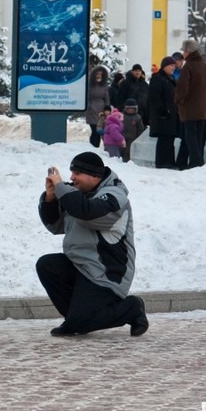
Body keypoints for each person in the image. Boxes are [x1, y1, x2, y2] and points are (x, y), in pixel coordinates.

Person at [36, 152, 148, 337]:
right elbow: (55, 225)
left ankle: (132, 308)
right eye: (71, 173)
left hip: (106, 272)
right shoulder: (79, 195)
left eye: (77, 173)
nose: (71, 178)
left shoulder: (115, 197)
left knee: (81, 322)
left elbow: (87, 211)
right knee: (47, 265)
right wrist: (50, 197)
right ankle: (75, 320)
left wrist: (62, 189)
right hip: (81, 267)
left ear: (95, 176)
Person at [174, 39, 206, 169]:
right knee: (198, 137)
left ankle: (196, 162)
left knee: (190, 137)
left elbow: (182, 88)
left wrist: (179, 101)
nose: (183, 53)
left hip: (189, 108)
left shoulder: (188, 66)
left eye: (184, 51)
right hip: (203, 108)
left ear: (189, 52)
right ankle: (182, 161)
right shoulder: (205, 66)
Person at [147, 57, 179, 169]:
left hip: (171, 115)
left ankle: (169, 161)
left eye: (174, 66)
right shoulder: (157, 78)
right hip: (163, 116)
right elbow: (155, 97)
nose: (173, 68)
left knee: (170, 139)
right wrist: (163, 111)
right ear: (165, 66)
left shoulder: (170, 79)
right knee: (163, 139)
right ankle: (162, 162)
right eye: (171, 66)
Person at [85, 65, 111, 148]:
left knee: (100, 130)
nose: (99, 76)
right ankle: (93, 147)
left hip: (101, 111)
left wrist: (107, 108)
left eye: (101, 74)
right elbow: (86, 97)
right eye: (97, 74)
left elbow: (107, 97)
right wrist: (88, 106)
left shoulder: (104, 85)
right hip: (91, 109)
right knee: (95, 130)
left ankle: (98, 147)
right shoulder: (89, 85)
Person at [121, 98, 145, 163]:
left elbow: (140, 129)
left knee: (128, 151)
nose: (131, 110)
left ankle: (127, 162)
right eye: (129, 109)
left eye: (132, 109)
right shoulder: (121, 116)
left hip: (132, 138)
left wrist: (138, 138)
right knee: (121, 149)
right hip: (122, 137)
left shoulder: (137, 117)